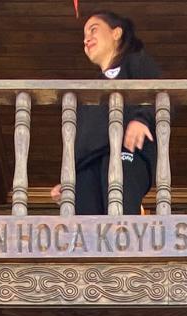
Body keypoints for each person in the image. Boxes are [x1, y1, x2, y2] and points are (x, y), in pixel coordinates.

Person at [69, 12, 161, 216]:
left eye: (93, 30)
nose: (86, 39)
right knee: (87, 228)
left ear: (116, 33)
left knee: (120, 218)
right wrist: (69, 179)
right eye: (84, 35)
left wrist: (142, 120)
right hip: (87, 166)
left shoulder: (136, 62)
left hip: (125, 150)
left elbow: (160, 96)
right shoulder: (89, 90)